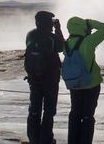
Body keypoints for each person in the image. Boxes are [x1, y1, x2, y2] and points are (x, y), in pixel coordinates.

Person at [65, 16, 104, 144]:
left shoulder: (66, 43)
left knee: (75, 114)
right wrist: (89, 22)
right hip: (91, 83)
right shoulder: (89, 41)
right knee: (87, 116)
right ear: (83, 27)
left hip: (74, 84)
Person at [25, 11, 65, 144]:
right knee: (49, 109)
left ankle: (33, 138)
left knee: (34, 108)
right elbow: (62, 47)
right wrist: (58, 29)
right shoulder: (52, 37)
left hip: (33, 77)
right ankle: (46, 138)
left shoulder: (30, 35)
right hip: (50, 77)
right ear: (49, 22)